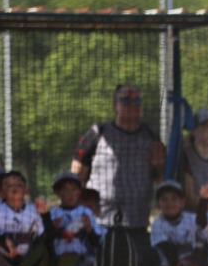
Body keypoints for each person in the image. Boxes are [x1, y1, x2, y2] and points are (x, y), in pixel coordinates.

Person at [70, 83, 165, 228]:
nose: (132, 105)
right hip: (98, 222)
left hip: (137, 220)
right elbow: (76, 174)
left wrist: (159, 166)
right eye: (126, 100)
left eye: (137, 101)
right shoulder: (98, 133)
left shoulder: (151, 137)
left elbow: (160, 178)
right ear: (115, 105)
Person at [46, 171, 100, 266]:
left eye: (74, 189)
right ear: (58, 193)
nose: (70, 194)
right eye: (65, 190)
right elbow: (45, 239)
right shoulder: (53, 213)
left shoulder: (86, 212)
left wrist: (89, 229)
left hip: (81, 258)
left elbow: (96, 241)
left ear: (79, 192)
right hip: (57, 260)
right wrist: (54, 229)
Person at [148, 180, 205, 266]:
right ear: (159, 204)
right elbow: (166, 250)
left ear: (183, 202)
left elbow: (203, 229)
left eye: (174, 198)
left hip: (192, 265)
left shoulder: (192, 218)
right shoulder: (157, 223)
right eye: (164, 199)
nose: (169, 203)